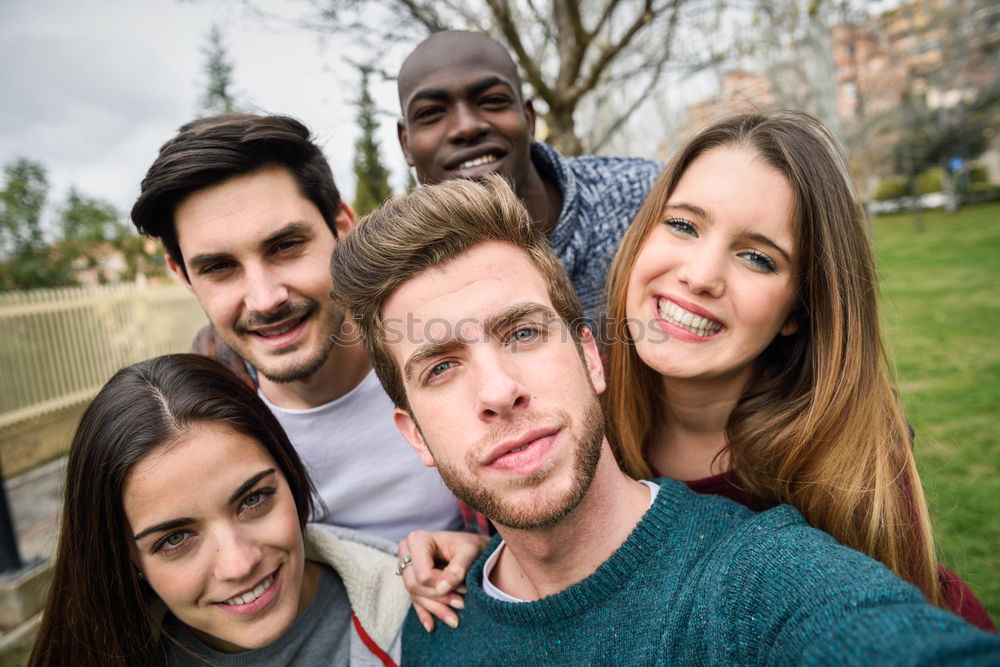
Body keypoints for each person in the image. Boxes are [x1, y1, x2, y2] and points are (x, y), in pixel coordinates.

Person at [329, 174, 1000, 663]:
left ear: (592, 358)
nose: (498, 390)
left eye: (524, 332)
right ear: (413, 433)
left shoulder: (754, 579)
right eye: (440, 366)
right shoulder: (433, 632)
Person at [601, 110, 992, 629]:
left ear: (797, 312)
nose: (700, 276)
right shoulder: (577, 412)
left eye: (758, 258)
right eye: (682, 225)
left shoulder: (843, 456)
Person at [131, 114, 468, 542]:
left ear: (342, 229)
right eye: (219, 267)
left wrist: (492, 560)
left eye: (286, 246)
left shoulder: (455, 347)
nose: (265, 298)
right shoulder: (189, 424)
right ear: (183, 277)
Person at [28, 354, 410, 667]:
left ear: (290, 476)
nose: (238, 565)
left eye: (253, 500)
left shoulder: (421, 612)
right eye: (174, 539)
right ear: (125, 560)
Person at [396, 30, 662, 319]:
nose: (467, 127)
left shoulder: (646, 201)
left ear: (529, 119)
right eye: (431, 113)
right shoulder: (401, 283)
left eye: (492, 100)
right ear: (405, 143)